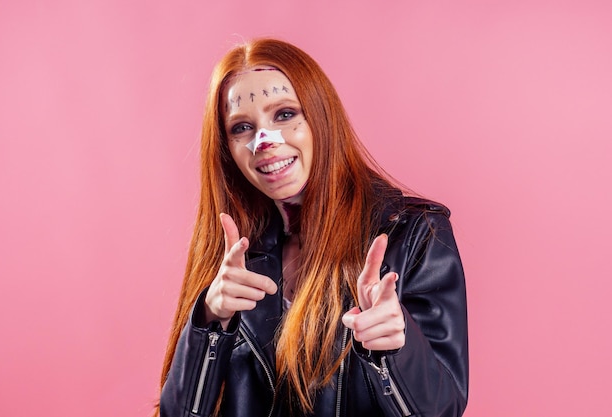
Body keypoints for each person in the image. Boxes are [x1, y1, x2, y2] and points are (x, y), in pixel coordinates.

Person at [156, 38, 468, 417]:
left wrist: (396, 350)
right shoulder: (234, 250)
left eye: (285, 114)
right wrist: (210, 322)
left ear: (320, 116)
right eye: (241, 127)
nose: (264, 141)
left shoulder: (415, 234)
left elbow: (442, 409)